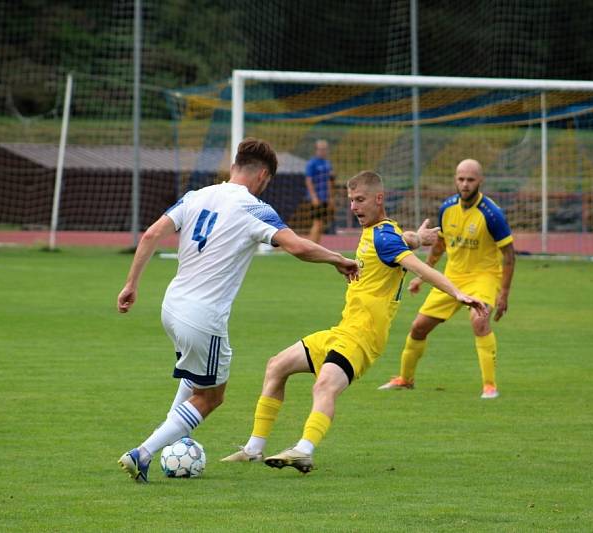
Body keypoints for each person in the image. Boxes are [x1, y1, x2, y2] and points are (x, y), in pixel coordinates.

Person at [116, 138, 359, 483]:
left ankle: (172, 440)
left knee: (194, 376)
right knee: (212, 396)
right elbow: (296, 246)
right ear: (262, 175)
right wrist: (338, 258)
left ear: (234, 167)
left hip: (172, 305)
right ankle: (143, 452)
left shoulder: (195, 196)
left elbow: (151, 235)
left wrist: (131, 284)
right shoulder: (255, 208)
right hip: (204, 315)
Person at [220, 170, 487, 473]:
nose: (354, 207)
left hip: (363, 337)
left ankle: (304, 450)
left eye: (360, 200)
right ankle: (254, 448)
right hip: (343, 330)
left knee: (324, 387)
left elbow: (419, 269)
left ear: (379, 198)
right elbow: (403, 240)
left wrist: (458, 293)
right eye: (350, 201)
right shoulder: (384, 232)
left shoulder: (384, 237)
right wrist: (418, 237)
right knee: (276, 366)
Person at [378, 158, 516, 399]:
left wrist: (503, 293)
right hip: (452, 278)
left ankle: (489, 386)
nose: (465, 184)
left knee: (479, 321)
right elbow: (440, 245)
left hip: (483, 277)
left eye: (470, 180)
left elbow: (509, 255)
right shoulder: (447, 208)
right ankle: (405, 379)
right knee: (418, 327)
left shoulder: (492, 214)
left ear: (480, 181)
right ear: (455, 179)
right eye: (461, 179)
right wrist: (422, 276)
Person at [304, 139, 334, 243]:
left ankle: (316, 245)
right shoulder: (312, 163)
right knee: (316, 222)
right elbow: (308, 180)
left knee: (321, 223)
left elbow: (330, 181)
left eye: (325, 149)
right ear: (316, 150)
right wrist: (313, 197)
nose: (323, 151)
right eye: (321, 149)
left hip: (325, 197)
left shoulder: (327, 163)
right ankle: (311, 245)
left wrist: (330, 197)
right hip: (316, 198)